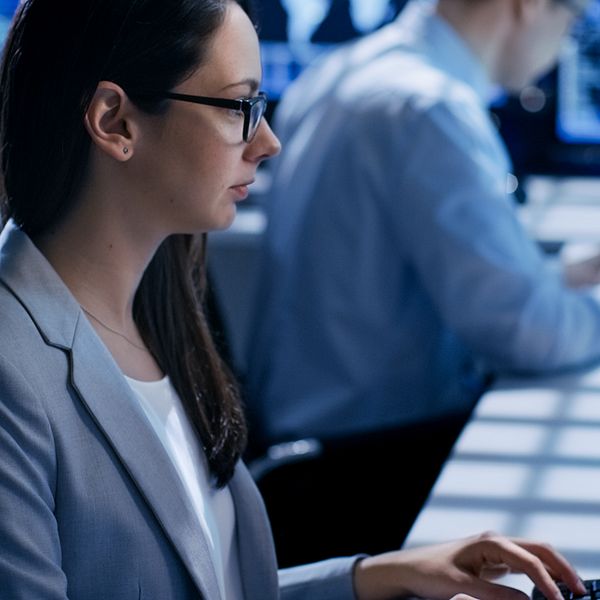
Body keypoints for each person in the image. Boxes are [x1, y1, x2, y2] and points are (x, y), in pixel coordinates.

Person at [0, 0, 587, 598]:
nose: (269, 143)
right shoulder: (13, 375)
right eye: (240, 108)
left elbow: (206, 585)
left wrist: (376, 576)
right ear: (115, 122)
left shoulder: (153, 311)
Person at [245, 0, 600, 565]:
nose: (566, 45)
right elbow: (529, 335)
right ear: (528, 6)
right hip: (367, 475)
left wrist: (560, 277)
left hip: (309, 453)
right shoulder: (430, 108)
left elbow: (390, 273)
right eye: (574, 19)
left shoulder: (346, 72)